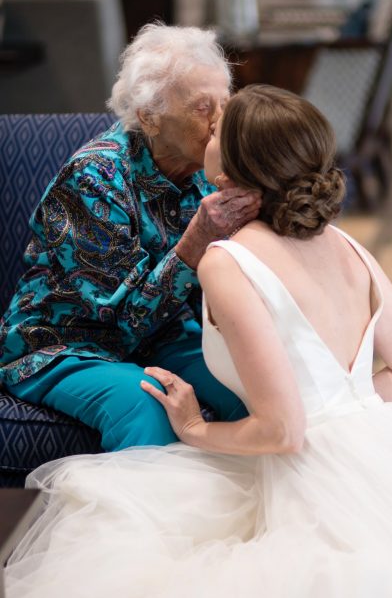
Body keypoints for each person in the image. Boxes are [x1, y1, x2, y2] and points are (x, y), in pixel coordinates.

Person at [6, 86, 392, 597]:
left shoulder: (226, 261)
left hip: (311, 473)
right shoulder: (345, 244)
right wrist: (346, 412)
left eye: (220, 129)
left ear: (233, 166)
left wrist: (196, 429)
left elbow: (284, 430)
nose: (208, 133)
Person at [0, 23, 260, 451]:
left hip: (166, 336)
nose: (219, 123)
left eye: (224, 104)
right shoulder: (94, 179)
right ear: (149, 117)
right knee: (146, 405)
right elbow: (122, 326)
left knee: (253, 388)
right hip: (67, 344)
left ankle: (256, 517)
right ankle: (148, 520)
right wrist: (196, 241)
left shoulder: (211, 172)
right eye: (201, 107)